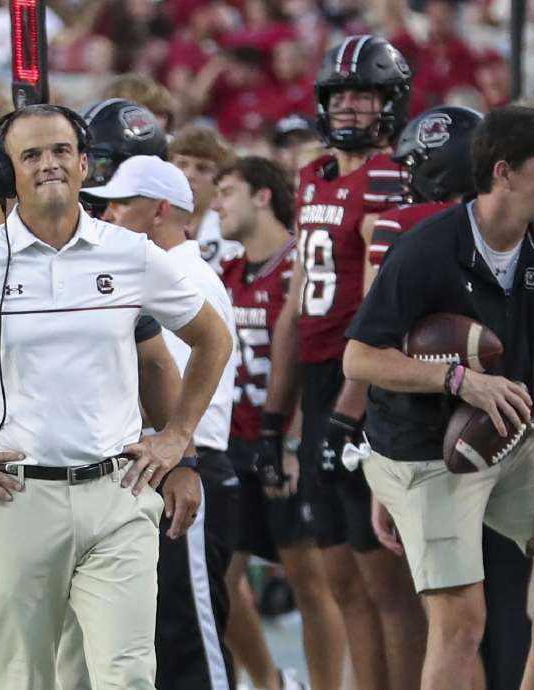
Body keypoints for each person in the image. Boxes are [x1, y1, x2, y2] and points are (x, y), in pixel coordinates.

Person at [0, 104, 233, 690]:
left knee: (130, 676)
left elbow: (209, 339)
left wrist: (179, 442)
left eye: (61, 151)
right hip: (15, 499)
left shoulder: (130, 253)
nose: (49, 164)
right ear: (6, 174)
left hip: (118, 494)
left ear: (84, 165)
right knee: (23, 678)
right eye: (31, 154)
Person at [344, 105, 534, 690]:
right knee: (462, 624)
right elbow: (360, 358)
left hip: (508, 434)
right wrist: (456, 379)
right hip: (421, 449)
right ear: (503, 173)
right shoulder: (425, 249)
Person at [262, 34, 426, 690]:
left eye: (367, 94)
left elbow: (382, 310)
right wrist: (277, 417)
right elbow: (297, 306)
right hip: (323, 379)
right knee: (339, 577)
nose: (353, 107)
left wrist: (346, 416)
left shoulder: (388, 178)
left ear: (392, 102)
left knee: (384, 579)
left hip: (369, 386)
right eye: (343, 94)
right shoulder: (311, 176)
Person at [87, 154, 238, 690]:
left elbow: (172, 385)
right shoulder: (155, 272)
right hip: (158, 468)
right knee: (153, 641)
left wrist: (179, 452)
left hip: (185, 468)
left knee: (190, 641)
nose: (107, 212)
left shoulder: (184, 278)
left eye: (122, 202)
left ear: (161, 210)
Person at [213, 157, 344, 690]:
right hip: (236, 443)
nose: (218, 204)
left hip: (283, 441)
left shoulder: (298, 266)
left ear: (263, 196)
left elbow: (310, 358)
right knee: (223, 577)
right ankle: (269, 681)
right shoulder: (226, 270)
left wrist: (290, 440)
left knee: (309, 580)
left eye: (228, 191)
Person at [166, 125, 239, 274]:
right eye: (182, 164)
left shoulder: (232, 236)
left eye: (203, 168)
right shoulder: (147, 224)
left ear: (221, 180)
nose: (189, 175)